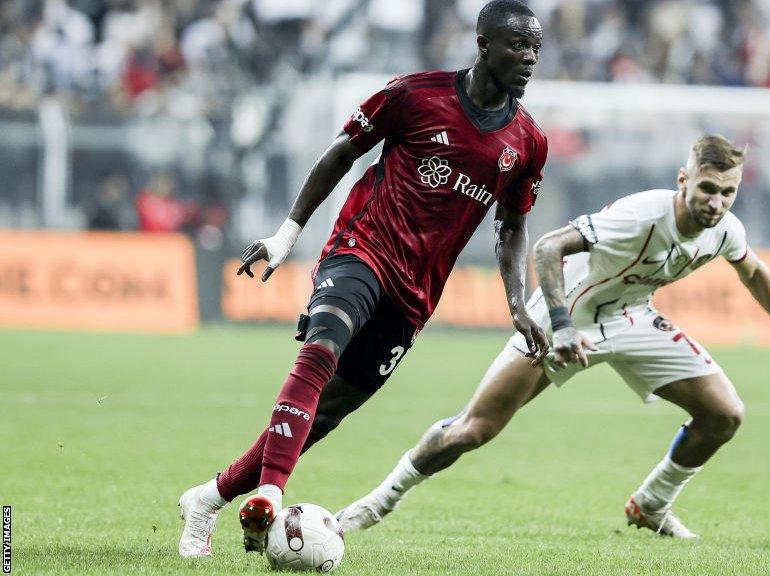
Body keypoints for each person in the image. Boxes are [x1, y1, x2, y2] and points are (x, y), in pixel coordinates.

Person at [177, 0, 548, 557]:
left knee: (325, 414)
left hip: (416, 294)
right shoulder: (414, 95)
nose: (529, 58)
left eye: (536, 48)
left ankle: (207, 499)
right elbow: (340, 153)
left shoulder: (527, 142)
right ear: (483, 44)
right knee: (323, 346)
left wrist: (518, 303)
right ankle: (272, 496)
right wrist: (287, 233)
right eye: (519, 46)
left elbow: (513, 226)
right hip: (362, 246)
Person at [335, 135, 770, 540]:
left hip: (632, 317)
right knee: (474, 429)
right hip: (564, 313)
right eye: (707, 189)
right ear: (683, 180)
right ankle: (377, 503)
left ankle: (651, 505)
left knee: (724, 415)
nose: (716, 203)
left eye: (728, 193)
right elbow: (549, 248)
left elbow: (754, 271)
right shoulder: (641, 215)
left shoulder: (725, 229)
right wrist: (563, 325)